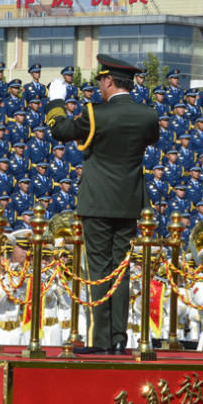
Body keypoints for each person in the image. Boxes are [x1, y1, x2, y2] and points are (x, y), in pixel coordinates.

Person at [48, 54, 159, 353]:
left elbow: (60, 131)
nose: (99, 85)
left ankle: (100, 341)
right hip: (130, 202)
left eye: (100, 80)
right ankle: (119, 339)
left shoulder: (95, 113)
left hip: (97, 201)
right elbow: (150, 140)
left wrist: (55, 103)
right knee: (119, 269)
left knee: (98, 270)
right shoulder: (148, 114)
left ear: (109, 81)